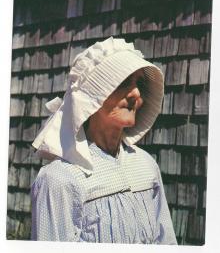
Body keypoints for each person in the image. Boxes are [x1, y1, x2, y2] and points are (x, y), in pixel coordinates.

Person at [31, 37, 177, 244]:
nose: (137, 93)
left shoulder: (145, 165)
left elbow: (167, 242)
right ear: (93, 97)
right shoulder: (60, 179)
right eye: (124, 83)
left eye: (138, 84)